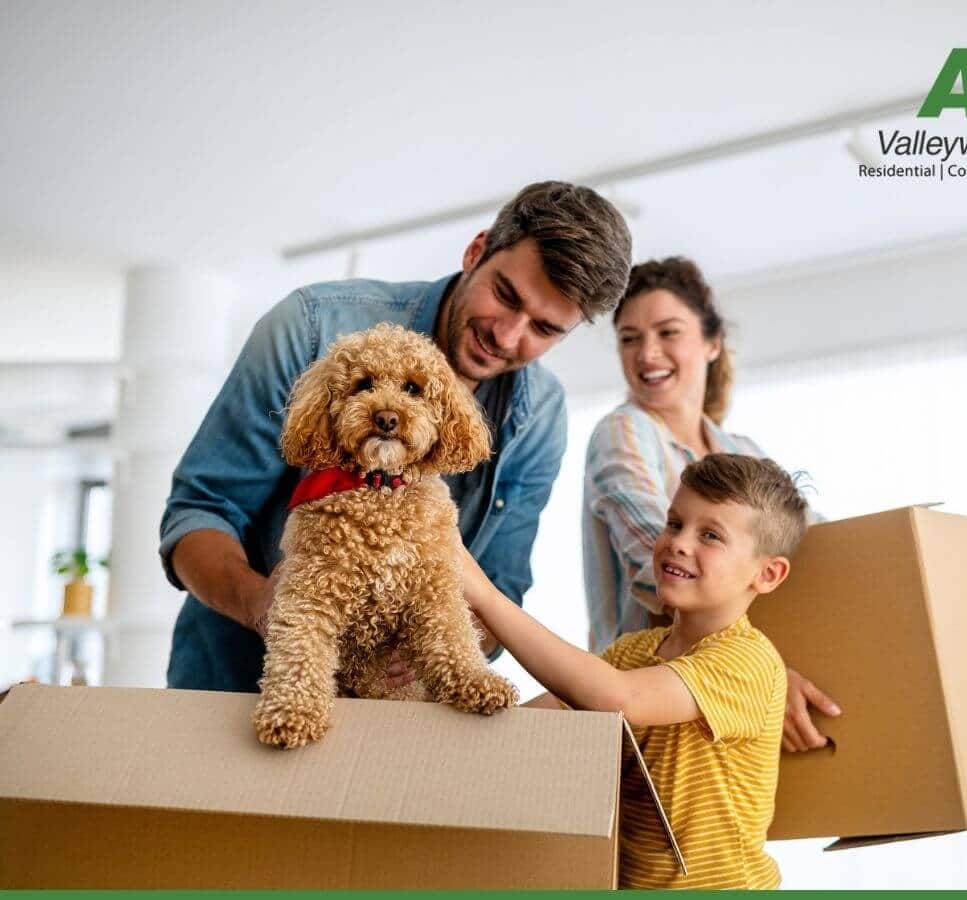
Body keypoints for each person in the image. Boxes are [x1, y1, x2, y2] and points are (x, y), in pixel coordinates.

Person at [159, 181, 632, 692]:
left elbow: (502, 586)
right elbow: (200, 512)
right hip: (231, 682)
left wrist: (437, 644)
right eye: (505, 295)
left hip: (390, 718)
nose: (508, 336)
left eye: (544, 329)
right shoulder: (310, 328)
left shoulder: (541, 413)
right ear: (476, 251)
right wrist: (262, 606)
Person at [466, 453, 807, 889]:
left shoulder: (747, 660)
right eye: (674, 523)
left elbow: (620, 699)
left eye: (710, 535)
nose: (680, 543)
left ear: (768, 574)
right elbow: (530, 727)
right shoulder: (633, 653)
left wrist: (486, 597)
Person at [582, 256, 840, 751]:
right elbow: (655, 566)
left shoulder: (741, 450)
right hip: (645, 710)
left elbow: (818, 541)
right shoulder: (624, 432)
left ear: (712, 343)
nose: (647, 353)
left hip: (723, 713)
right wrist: (763, 670)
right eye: (629, 338)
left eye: (667, 332)